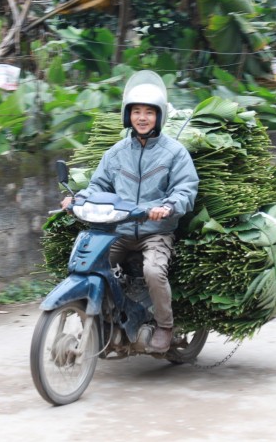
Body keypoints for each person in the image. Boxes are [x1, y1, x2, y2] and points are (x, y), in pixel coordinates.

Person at [61, 70, 199, 353]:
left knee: (152, 271)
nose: (142, 117)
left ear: (158, 116)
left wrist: (168, 207)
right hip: (119, 230)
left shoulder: (175, 153)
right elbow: (97, 184)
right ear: (128, 116)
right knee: (89, 265)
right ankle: (107, 318)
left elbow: (185, 189)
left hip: (155, 232)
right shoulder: (115, 153)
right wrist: (76, 200)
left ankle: (165, 325)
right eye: (137, 111)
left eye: (149, 112)